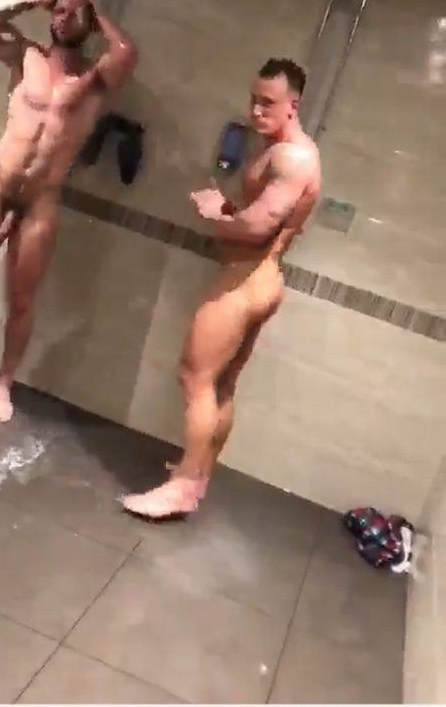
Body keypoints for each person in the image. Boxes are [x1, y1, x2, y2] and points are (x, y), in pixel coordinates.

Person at [121, 58, 320, 519]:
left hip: (246, 279)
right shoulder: (286, 151)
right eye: (253, 99)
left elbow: (258, 227)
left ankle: (180, 489)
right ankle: (198, 474)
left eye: (267, 102)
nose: (256, 110)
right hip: (259, 277)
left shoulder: (292, 157)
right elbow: (264, 218)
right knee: (222, 384)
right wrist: (230, 207)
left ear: (293, 105)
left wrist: (217, 214)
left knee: (195, 378)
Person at [0, 0, 137, 422]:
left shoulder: (95, 78)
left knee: (22, 301)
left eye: (75, 13)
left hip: (40, 200)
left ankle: (3, 384)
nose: (64, 17)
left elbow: (127, 51)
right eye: (60, 10)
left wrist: (93, 8)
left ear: (90, 23)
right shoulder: (25, 55)